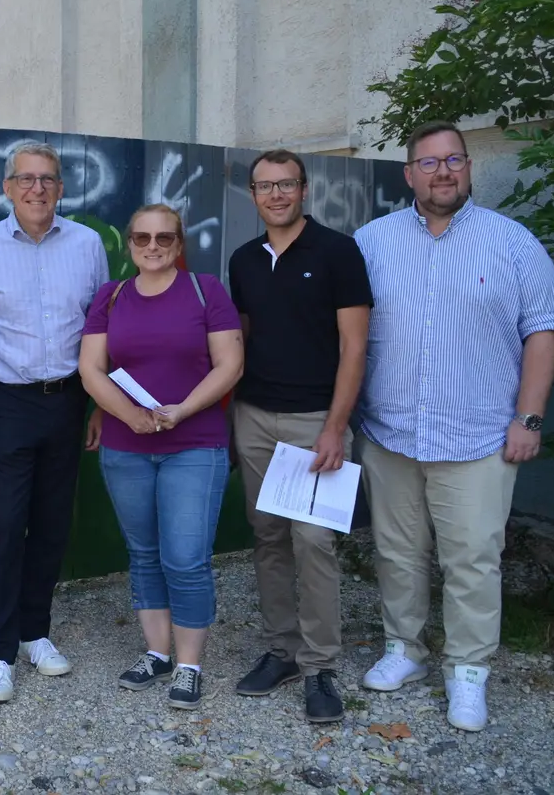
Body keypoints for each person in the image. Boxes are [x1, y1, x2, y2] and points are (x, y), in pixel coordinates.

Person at [354, 121, 554, 732]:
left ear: (469, 167)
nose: (442, 171)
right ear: (409, 174)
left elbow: (543, 332)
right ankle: (405, 649)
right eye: (429, 162)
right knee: (397, 551)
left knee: (472, 558)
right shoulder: (372, 242)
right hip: (391, 432)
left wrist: (529, 418)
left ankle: (468, 670)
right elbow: (346, 330)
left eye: (453, 160)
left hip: (478, 437)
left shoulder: (513, 243)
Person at [0, 141, 109, 703]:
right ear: (7, 188)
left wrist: (99, 403)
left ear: (62, 188)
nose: (37, 188)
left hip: (68, 400)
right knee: (5, 525)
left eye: (47, 179)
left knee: (52, 522)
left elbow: (102, 331)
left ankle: (34, 633)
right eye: (26, 178)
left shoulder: (88, 245)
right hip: (6, 403)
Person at [226, 150, 372, 723]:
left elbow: (355, 347)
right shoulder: (243, 260)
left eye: (286, 184)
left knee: (313, 541)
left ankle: (320, 666)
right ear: (253, 195)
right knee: (268, 537)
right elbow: (238, 345)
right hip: (255, 417)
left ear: (304, 189)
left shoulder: (337, 251)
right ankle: (281, 650)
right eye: (265, 186)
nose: (276, 195)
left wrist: (336, 426)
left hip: (316, 421)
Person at [78, 204, 243, 710]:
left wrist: (183, 410)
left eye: (164, 238)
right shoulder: (111, 297)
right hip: (126, 446)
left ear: (179, 243)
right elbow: (91, 368)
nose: (153, 246)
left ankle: (189, 665)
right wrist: (129, 416)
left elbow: (230, 364)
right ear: (130, 243)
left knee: (186, 558)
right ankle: (157, 653)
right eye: (143, 238)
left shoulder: (205, 291)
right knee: (145, 553)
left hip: (194, 444)